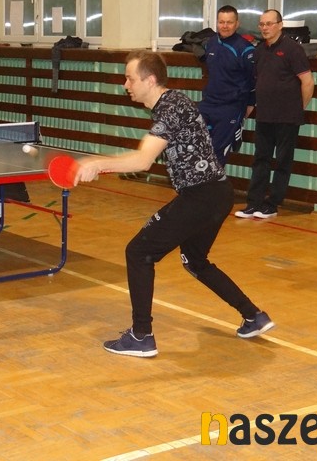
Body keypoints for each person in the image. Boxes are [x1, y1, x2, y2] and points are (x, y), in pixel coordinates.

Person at [74, 51, 274, 358]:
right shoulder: (173, 102)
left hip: (202, 196)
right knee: (195, 260)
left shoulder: (170, 108)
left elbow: (143, 160)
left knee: (138, 252)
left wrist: (97, 164)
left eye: (130, 78)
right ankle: (253, 316)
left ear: (150, 80)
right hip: (216, 193)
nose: (126, 84)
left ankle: (141, 335)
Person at [234, 9, 314, 220]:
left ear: (280, 25)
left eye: (269, 23)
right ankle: (254, 203)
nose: (265, 28)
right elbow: (258, 81)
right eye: (262, 24)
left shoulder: (293, 49)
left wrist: (299, 108)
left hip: (287, 116)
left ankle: (272, 204)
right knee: (261, 159)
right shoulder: (260, 50)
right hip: (265, 115)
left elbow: (307, 82)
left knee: (282, 162)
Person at [198, 5, 256, 164]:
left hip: (231, 107)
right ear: (217, 23)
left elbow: (254, 79)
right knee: (197, 148)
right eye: (221, 22)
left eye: (229, 22)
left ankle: (215, 181)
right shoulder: (210, 43)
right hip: (208, 103)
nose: (225, 26)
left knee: (217, 154)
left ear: (237, 24)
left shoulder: (246, 49)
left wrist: (250, 103)